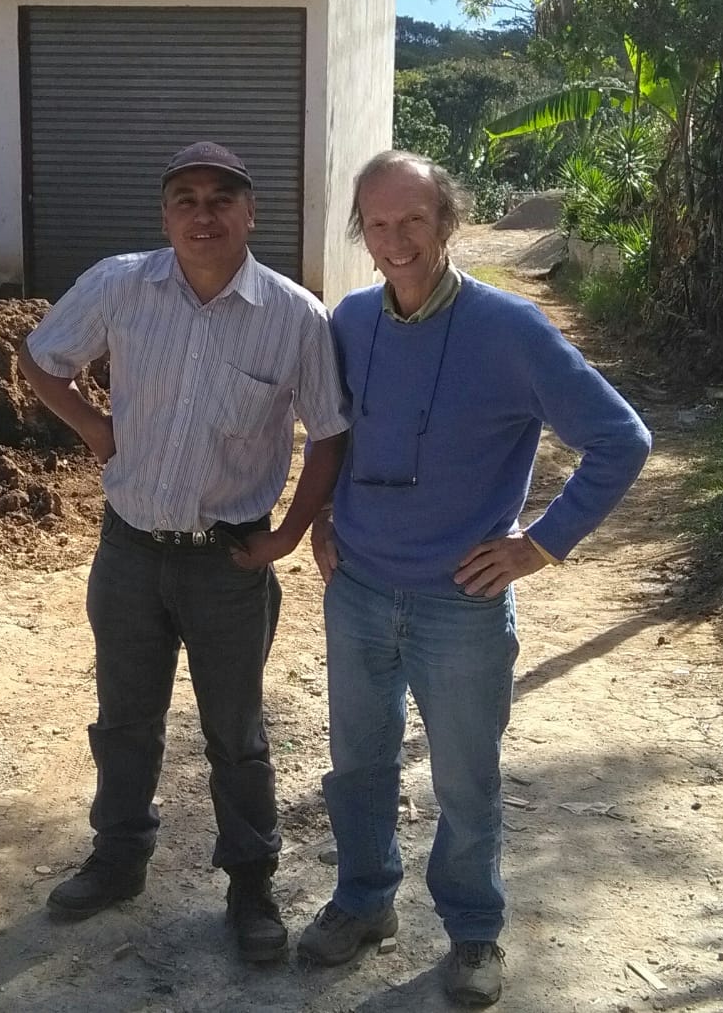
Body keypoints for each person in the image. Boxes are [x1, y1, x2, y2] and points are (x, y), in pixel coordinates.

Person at [300, 150, 651, 1005]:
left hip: (461, 602)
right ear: (363, 231)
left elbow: (622, 438)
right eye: (378, 223)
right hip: (358, 593)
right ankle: (363, 899)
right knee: (358, 764)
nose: (396, 239)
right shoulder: (350, 321)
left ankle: (473, 930)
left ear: (446, 222)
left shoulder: (512, 330)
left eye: (412, 220)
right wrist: (319, 516)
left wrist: (540, 542)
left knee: (465, 777)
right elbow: (332, 432)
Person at [17, 141, 350, 962]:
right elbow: (40, 358)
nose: (203, 214)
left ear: (250, 213)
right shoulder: (120, 285)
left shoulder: (294, 316)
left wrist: (288, 533)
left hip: (228, 564)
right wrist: (95, 427)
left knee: (236, 732)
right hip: (129, 551)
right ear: (165, 215)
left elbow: (330, 436)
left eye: (220, 198)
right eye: (185, 199)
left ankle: (250, 885)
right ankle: (119, 857)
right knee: (125, 719)